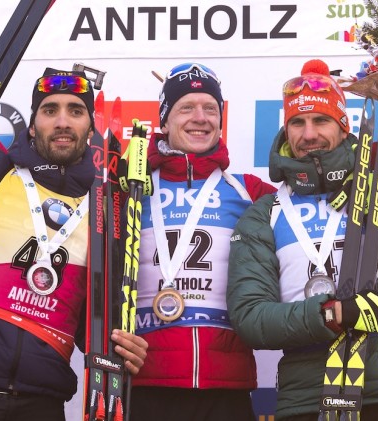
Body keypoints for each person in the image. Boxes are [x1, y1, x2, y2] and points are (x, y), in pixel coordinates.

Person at [226, 59, 378, 420]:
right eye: (297, 122)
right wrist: (333, 314)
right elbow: (251, 317)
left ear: (344, 127)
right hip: (304, 402)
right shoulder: (264, 213)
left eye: (321, 120)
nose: (308, 134)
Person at [0, 68, 148, 421]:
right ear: (32, 125)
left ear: (91, 129)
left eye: (76, 111)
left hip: (42, 403)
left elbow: (94, 324)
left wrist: (120, 348)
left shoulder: (105, 209)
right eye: (50, 110)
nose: (62, 121)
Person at [129, 63, 277, 421]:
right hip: (146, 383)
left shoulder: (250, 192)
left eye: (211, 108)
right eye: (186, 108)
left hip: (227, 389)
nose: (201, 118)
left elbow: (323, 202)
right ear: (164, 121)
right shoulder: (131, 191)